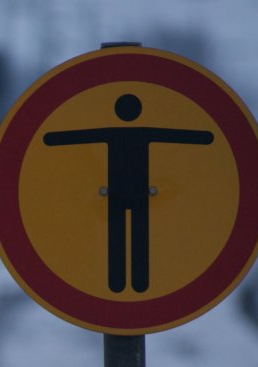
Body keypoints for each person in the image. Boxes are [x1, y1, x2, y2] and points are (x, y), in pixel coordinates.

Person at [44, 93, 213, 293]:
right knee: (136, 237)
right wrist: (207, 137)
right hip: (137, 194)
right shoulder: (143, 132)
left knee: (120, 238)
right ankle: (138, 283)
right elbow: (179, 135)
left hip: (119, 193)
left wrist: (48, 138)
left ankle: (119, 283)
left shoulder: (112, 132)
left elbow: (76, 136)